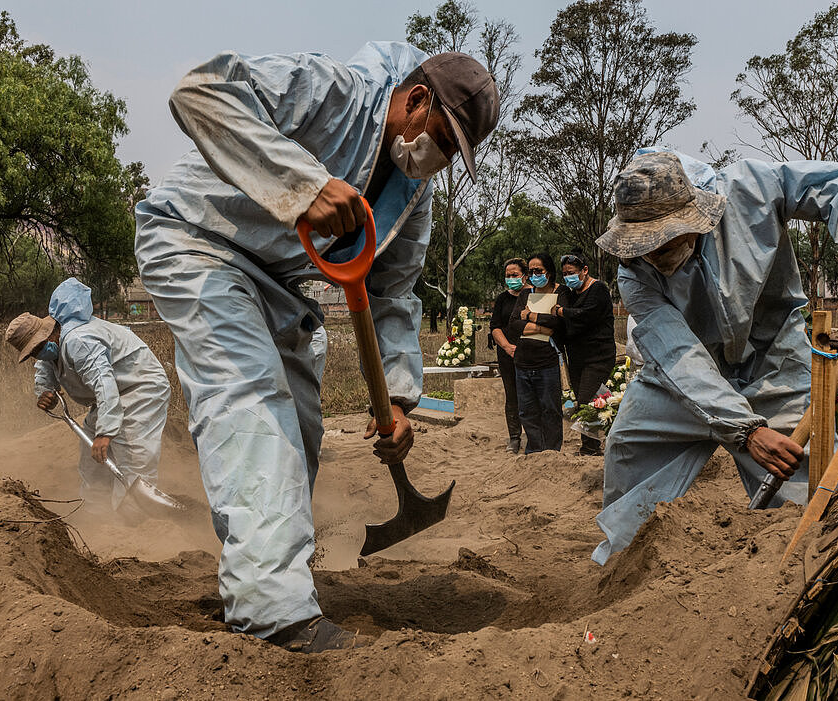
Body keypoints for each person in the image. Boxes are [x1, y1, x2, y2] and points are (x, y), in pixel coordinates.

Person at [133, 43, 499, 651]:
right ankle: (273, 611)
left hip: (278, 283)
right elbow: (197, 92)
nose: (434, 160)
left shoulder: (411, 197)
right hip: (197, 241)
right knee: (253, 403)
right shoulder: (332, 90)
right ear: (415, 100)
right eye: (437, 137)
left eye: (449, 154)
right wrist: (302, 185)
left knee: (300, 429)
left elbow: (396, 296)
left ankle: (267, 575)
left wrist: (402, 399)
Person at [591, 148, 838, 565]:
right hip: (677, 380)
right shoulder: (633, 275)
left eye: (662, 239)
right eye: (643, 245)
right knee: (628, 446)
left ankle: (817, 562)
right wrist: (745, 429)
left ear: (694, 215)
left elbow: (834, 187)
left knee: (808, 474)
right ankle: (623, 565)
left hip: (773, 361)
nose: (653, 254)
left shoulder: (751, 190)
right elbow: (679, 356)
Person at [4, 278, 171, 511]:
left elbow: (104, 383)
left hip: (141, 388)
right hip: (112, 396)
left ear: (50, 331)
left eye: (38, 347)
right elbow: (45, 369)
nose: (38, 354)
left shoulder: (78, 341)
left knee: (132, 456)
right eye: (32, 352)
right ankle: (97, 515)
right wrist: (45, 392)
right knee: (91, 458)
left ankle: (136, 523)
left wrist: (106, 432)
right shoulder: (51, 345)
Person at [508, 253, 572, 454]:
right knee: (526, 411)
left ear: (549, 272)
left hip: (548, 362)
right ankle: (534, 450)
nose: (534, 274)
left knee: (550, 410)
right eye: (531, 271)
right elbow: (513, 325)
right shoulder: (525, 294)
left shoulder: (562, 293)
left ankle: (551, 452)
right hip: (523, 362)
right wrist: (540, 326)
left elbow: (559, 323)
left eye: (538, 271)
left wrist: (530, 316)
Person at [555, 252, 615, 456]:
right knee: (592, 400)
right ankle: (602, 439)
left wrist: (562, 312)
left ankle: (590, 447)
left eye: (571, 272)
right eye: (564, 274)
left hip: (598, 355)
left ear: (585, 270)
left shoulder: (598, 289)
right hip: (577, 357)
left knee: (585, 398)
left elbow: (587, 315)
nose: (567, 277)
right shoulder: (572, 294)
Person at [490, 258, 530, 454]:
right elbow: (495, 327)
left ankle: (533, 435)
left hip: (532, 352)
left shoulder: (534, 295)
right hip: (507, 354)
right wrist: (507, 346)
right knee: (512, 395)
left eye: (515, 275)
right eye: (508, 276)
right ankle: (514, 437)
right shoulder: (502, 299)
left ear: (525, 275)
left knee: (532, 394)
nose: (511, 279)